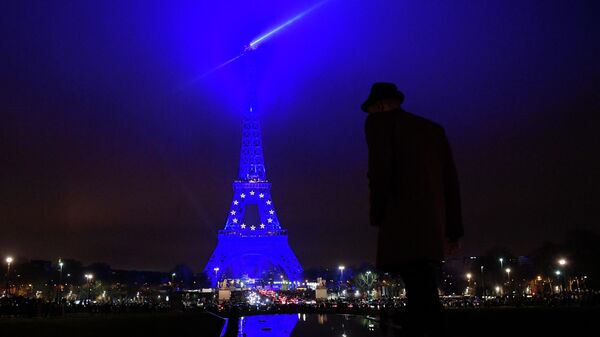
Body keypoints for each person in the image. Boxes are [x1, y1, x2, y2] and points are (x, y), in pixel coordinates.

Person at [363, 82, 463, 336]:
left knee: (417, 293)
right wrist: (453, 230)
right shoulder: (433, 130)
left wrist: (378, 215)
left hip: (400, 221)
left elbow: (379, 172)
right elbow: (451, 183)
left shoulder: (380, 125)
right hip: (431, 224)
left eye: (372, 110)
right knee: (425, 289)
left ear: (381, 105)